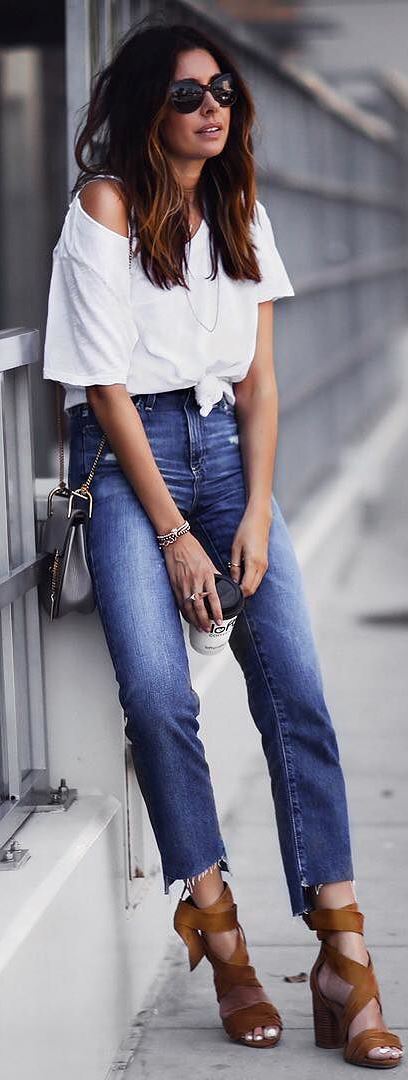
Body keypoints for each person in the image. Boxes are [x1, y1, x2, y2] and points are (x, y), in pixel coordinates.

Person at [43, 17, 403, 1068]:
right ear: (148, 108)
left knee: (296, 690)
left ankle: (343, 954)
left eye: (226, 95)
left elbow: (262, 385)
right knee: (158, 694)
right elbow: (104, 391)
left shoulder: (240, 209)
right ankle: (219, 925)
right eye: (192, 94)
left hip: (229, 466)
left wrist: (251, 514)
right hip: (130, 465)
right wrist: (173, 536)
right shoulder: (104, 208)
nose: (214, 110)